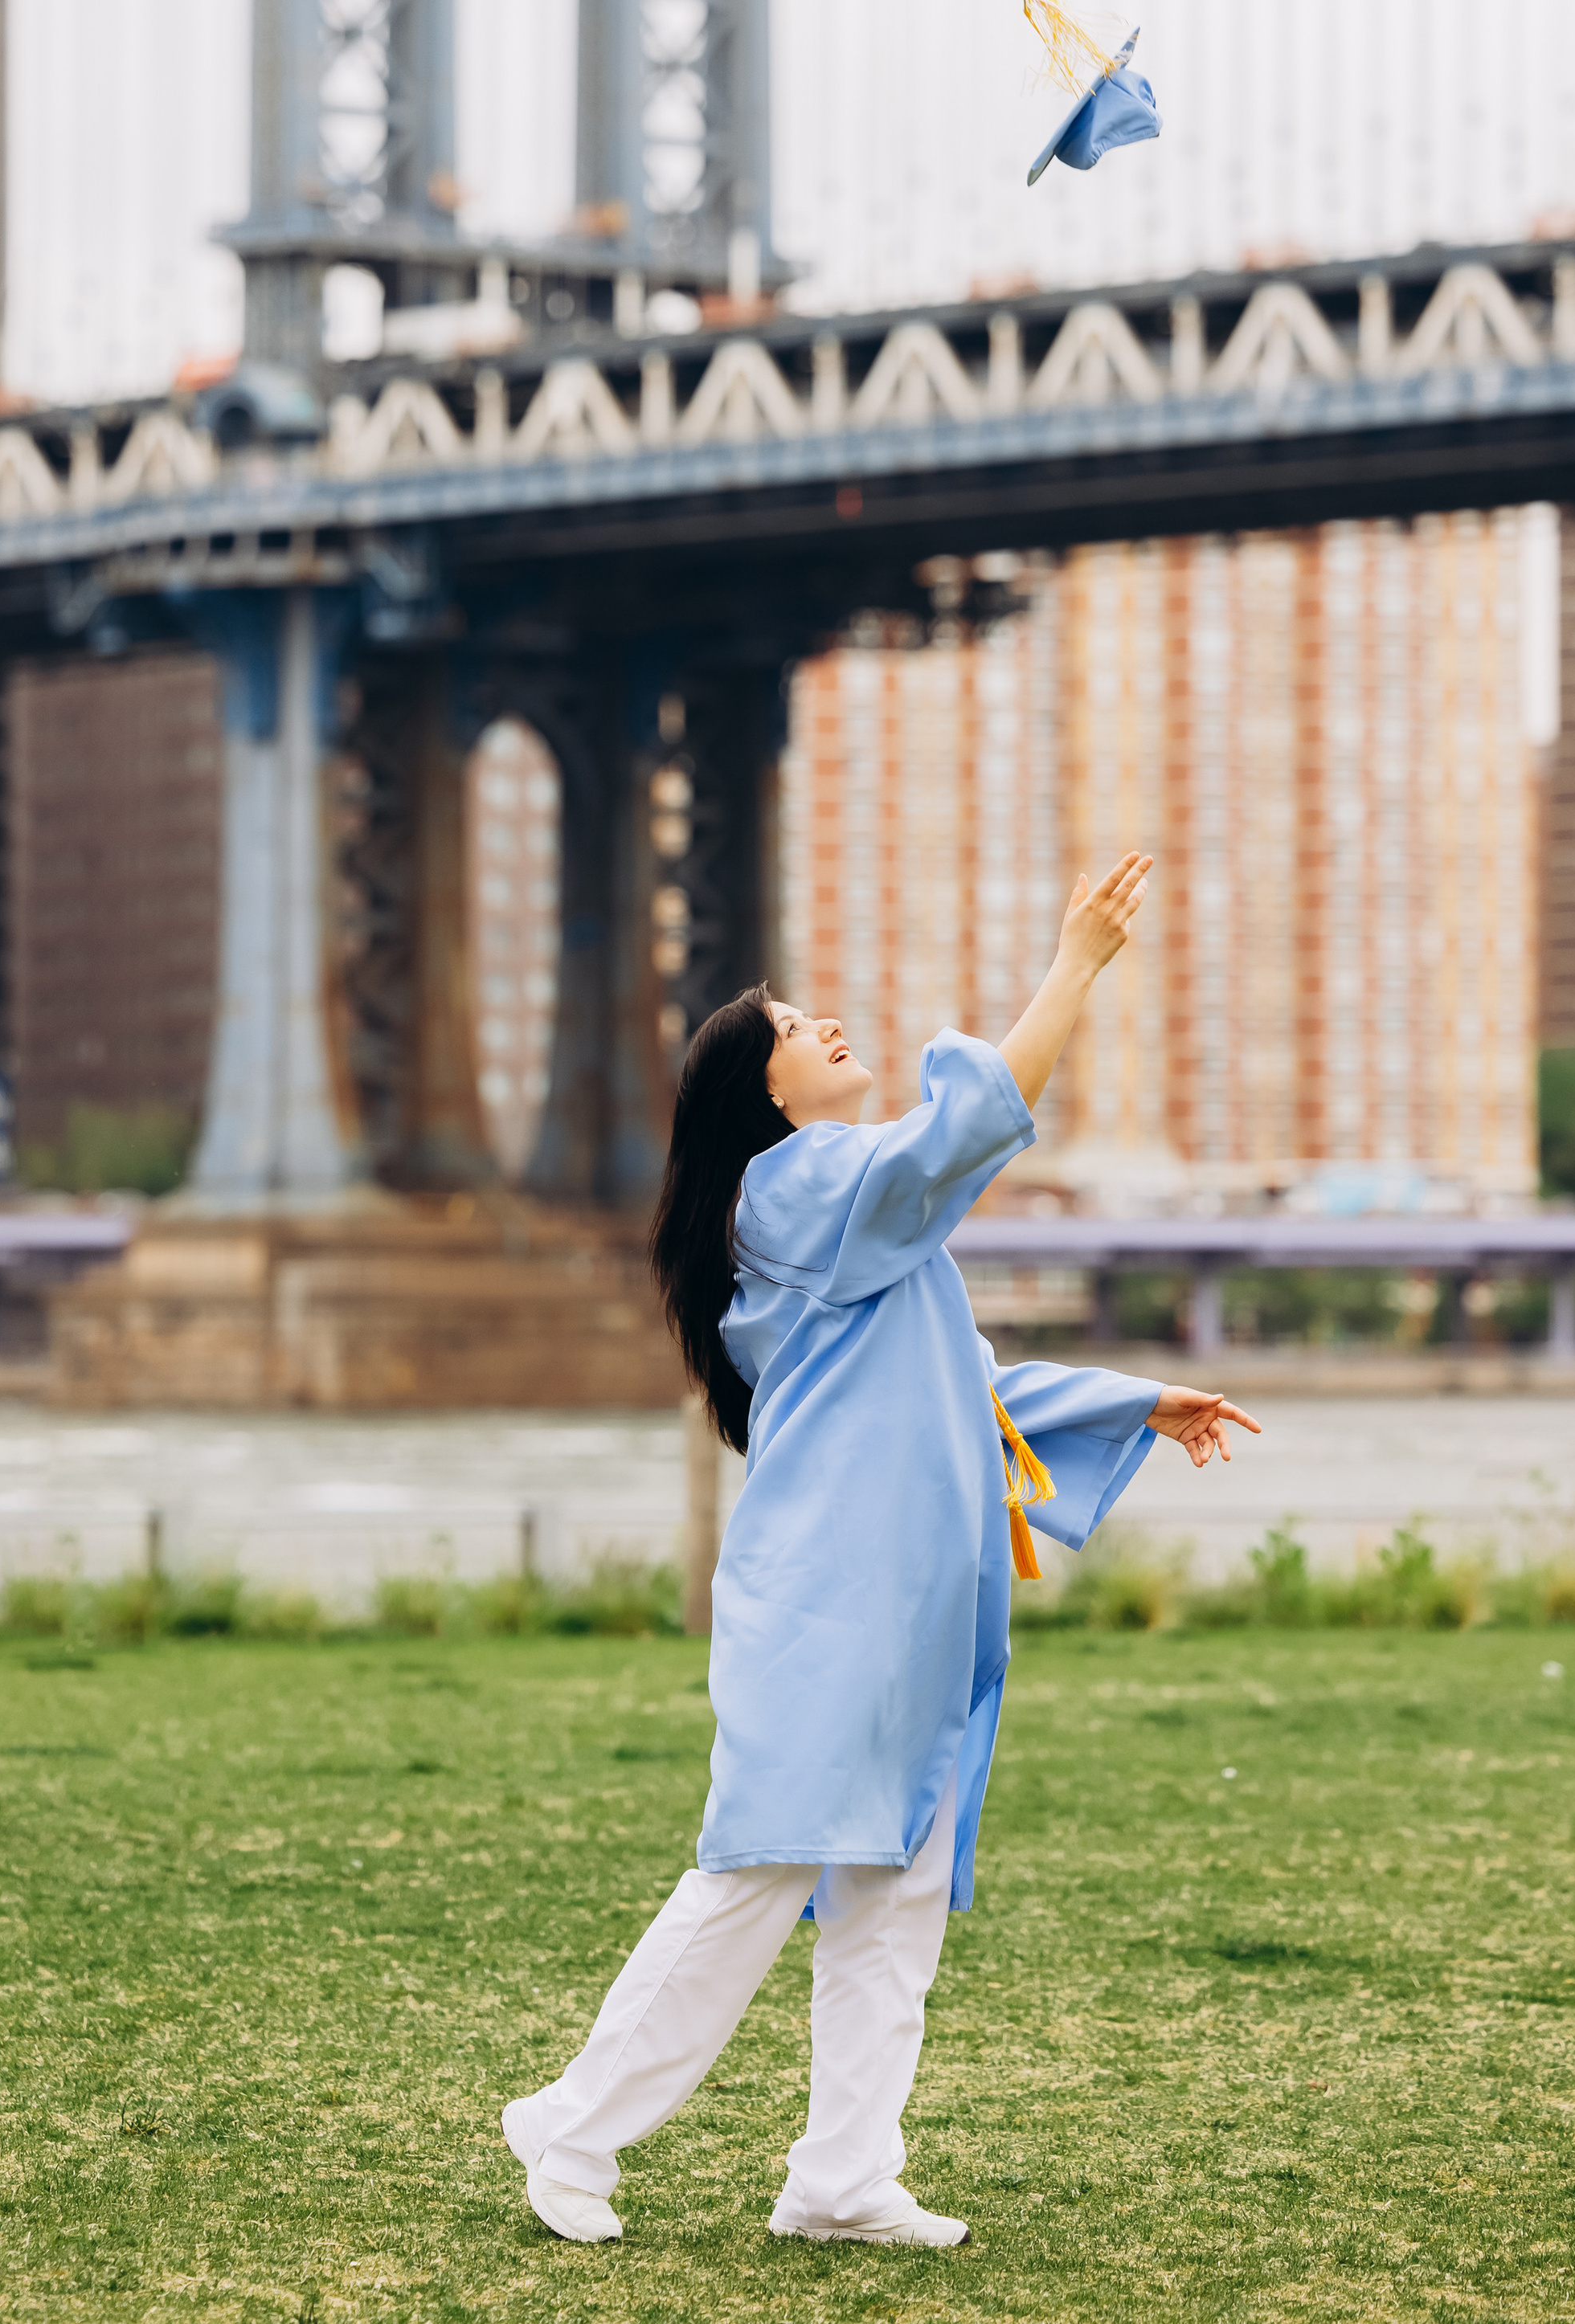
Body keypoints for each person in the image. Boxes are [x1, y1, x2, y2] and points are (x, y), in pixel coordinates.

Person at [502, 852, 1259, 2253]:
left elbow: (955, 1388)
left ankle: (844, 2175)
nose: (820, 1024)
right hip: (833, 1605)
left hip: (902, 1612)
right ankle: (574, 2121)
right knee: (759, 1873)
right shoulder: (790, 1193)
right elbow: (946, 1145)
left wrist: (1130, 1399)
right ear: (761, 1092)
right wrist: (1073, 966)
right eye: (789, 1026)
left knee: (894, 1894)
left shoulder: (854, 1236)